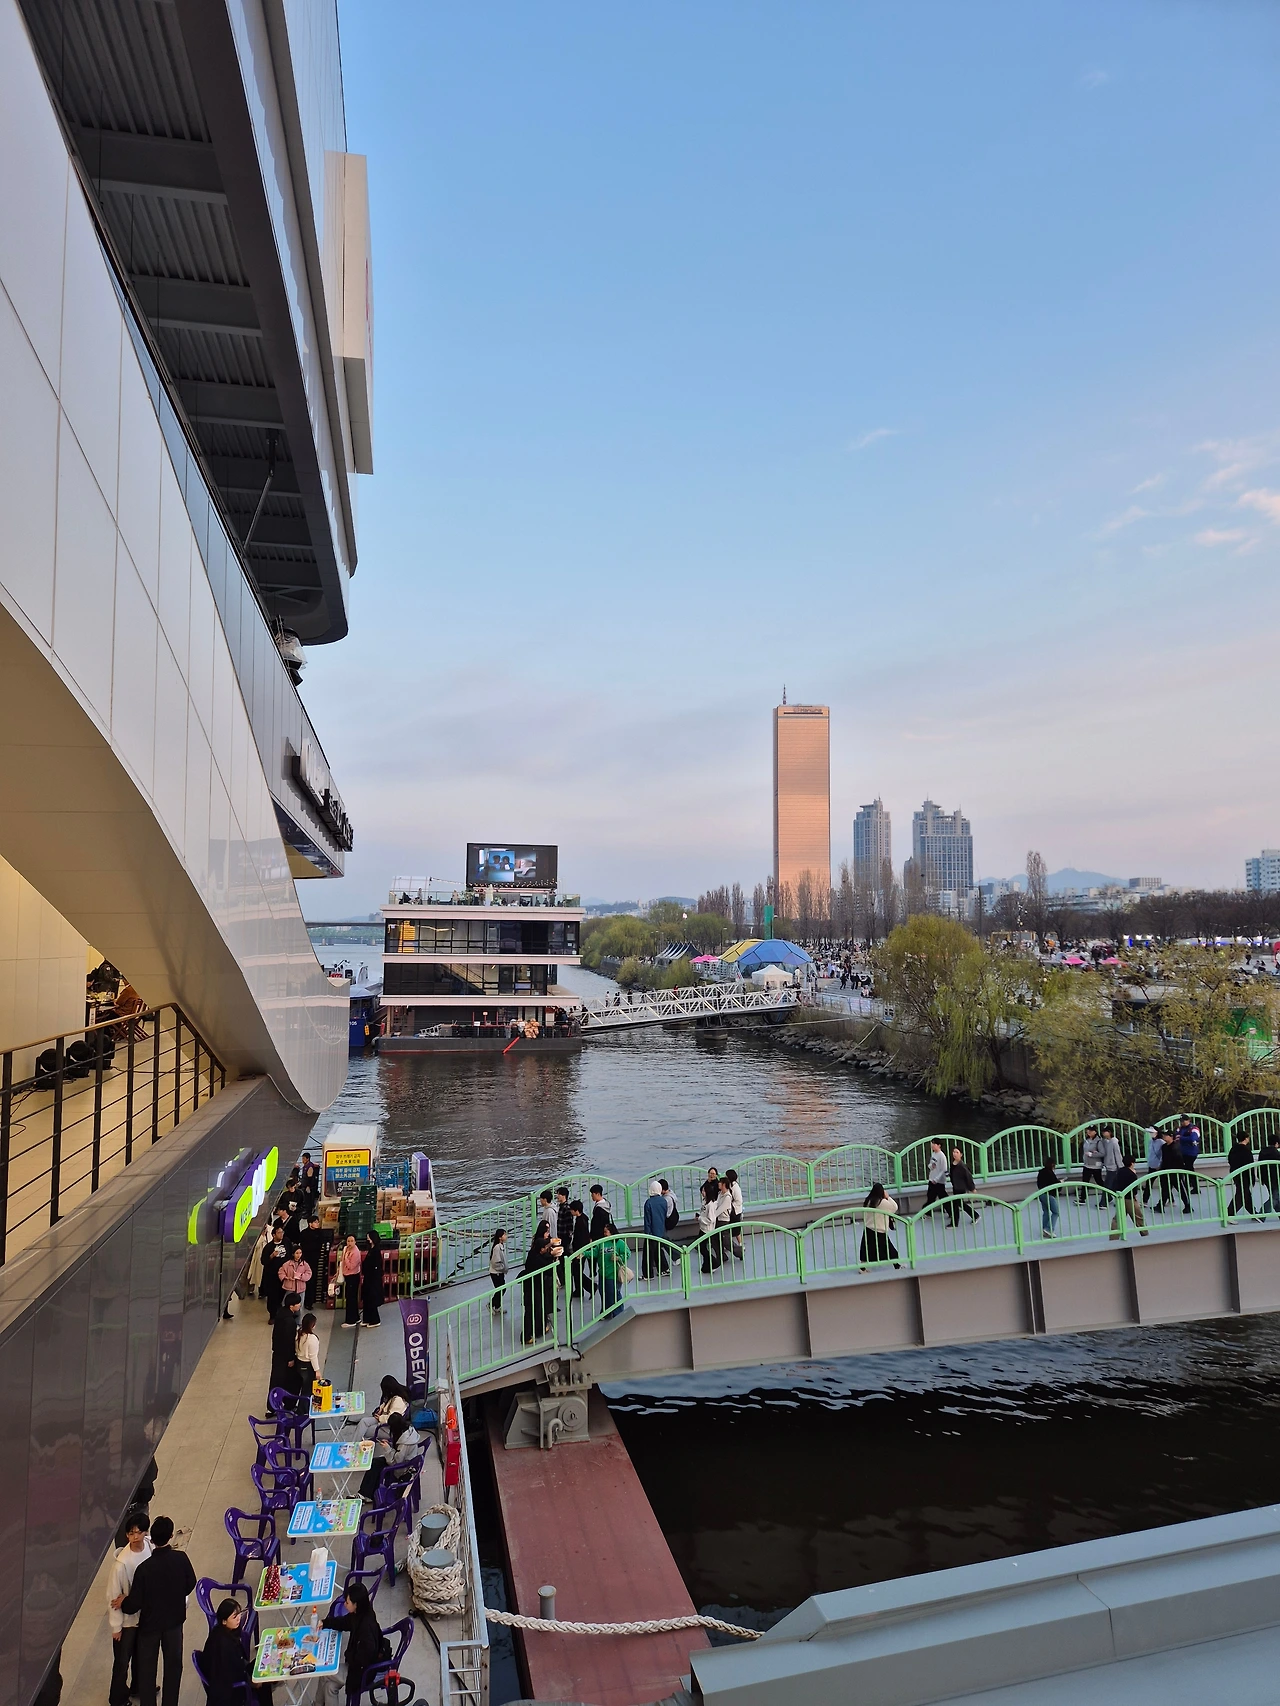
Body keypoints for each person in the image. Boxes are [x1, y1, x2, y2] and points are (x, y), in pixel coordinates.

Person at [118, 1515, 196, 1706]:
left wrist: (123, 1601)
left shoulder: (144, 1569)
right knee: (173, 1667)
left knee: (147, 1670)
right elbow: (190, 1583)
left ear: (151, 1539)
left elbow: (134, 1604)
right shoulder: (181, 1558)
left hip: (150, 1627)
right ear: (170, 1536)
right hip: (174, 1624)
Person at [107, 1511, 152, 1706]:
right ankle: (117, 1698)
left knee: (142, 1656)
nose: (135, 1537)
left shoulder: (149, 1547)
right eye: (131, 1533)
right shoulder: (120, 1565)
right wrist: (116, 1627)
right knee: (122, 1662)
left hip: (145, 1616)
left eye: (138, 1532)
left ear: (145, 1532)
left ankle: (138, 1687)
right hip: (127, 1622)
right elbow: (113, 1597)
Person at [317, 1583, 384, 1706]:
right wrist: (325, 1623)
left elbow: (365, 1657)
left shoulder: (366, 1628)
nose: (344, 1604)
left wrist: (349, 1655)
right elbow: (344, 1622)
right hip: (357, 1666)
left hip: (362, 1672)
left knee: (324, 1674)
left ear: (356, 1604)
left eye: (347, 1602)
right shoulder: (360, 1613)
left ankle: (317, 1704)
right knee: (330, 1687)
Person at [197, 1599, 254, 1706]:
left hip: (235, 1672)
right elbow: (231, 1673)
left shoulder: (220, 1631)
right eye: (234, 1617)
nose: (239, 1618)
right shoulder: (224, 1645)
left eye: (239, 1614)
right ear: (224, 1621)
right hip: (232, 1691)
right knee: (264, 1684)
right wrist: (252, 1680)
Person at [358, 1409, 422, 1500]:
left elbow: (395, 1462)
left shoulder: (405, 1443)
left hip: (402, 1468)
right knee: (375, 1463)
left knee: (376, 1466)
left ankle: (365, 1493)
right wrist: (390, 1445)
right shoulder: (408, 1430)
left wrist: (387, 1448)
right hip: (403, 1461)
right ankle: (368, 1493)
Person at [522, 1224, 554, 1343]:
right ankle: (527, 1336)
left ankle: (537, 1330)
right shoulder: (537, 1259)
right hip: (533, 1287)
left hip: (533, 1286)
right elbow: (548, 1269)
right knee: (532, 1311)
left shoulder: (533, 1254)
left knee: (536, 1309)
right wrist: (553, 1258)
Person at [268, 1292, 302, 1398]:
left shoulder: (280, 1314)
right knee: (287, 1381)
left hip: (277, 1352)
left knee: (275, 1380)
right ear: (291, 1306)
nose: (299, 1305)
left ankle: (272, 1403)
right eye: (298, 1303)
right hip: (285, 1356)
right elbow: (289, 1341)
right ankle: (287, 1402)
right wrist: (290, 1358)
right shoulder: (290, 1321)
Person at [858, 1182, 899, 1269]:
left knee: (866, 1250)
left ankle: (863, 1268)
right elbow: (894, 1207)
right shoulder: (882, 1202)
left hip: (869, 1228)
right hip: (880, 1229)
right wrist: (888, 1197)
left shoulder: (868, 1200)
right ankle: (897, 1265)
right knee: (889, 1249)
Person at [594, 1221, 629, 1316]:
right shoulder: (601, 1243)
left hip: (614, 1273)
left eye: (606, 1232)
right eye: (604, 1232)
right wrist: (584, 1254)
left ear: (611, 1232)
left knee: (613, 1293)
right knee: (603, 1292)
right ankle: (606, 1312)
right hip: (603, 1273)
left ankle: (618, 1313)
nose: (604, 1234)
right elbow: (595, 1252)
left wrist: (619, 1258)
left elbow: (627, 1254)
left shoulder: (619, 1243)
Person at [1111, 1152, 1146, 1237]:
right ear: (1132, 1163)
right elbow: (1134, 1189)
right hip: (1129, 1198)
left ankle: (1113, 1237)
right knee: (1138, 1217)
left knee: (1118, 1219)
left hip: (1120, 1197)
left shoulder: (1120, 1171)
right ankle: (1144, 1233)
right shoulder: (1132, 1174)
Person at [1159, 1129, 1191, 1215]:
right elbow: (1164, 1160)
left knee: (1181, 1189)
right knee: (1165, 1189)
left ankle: (1187, 1205)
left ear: (1171, 1137)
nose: (1164, 1137)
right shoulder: (1164, 1147)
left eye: (1166, 1135)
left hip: (1175, 1172)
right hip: (1166, 1172)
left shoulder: (1176, 1147)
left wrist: (1179, 1171)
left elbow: (1179, 1160)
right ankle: (1160, 1205)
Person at [1227, 1129, 1256, 1218]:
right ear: (1246, 1138)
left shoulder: (1233, 1149)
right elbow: (1250, 1165)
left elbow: (1230, 1160)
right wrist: (1252, 1178)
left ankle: (1253, 1213)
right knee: (1242, 1194)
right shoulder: (1246, 1151)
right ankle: (1229, 1213)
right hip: (1245, 1175)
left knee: (1245, 1193)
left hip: (1235, 1173)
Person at [260, 1225, 287, 1320]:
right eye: (279, 1233)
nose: (281, 1234)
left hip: (284, 1275)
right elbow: (263, 1261)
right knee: (272, 1296)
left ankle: (281, 1314)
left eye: (282, 1232)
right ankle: (272, 1315)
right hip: (272, 1276)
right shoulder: (268, 1247)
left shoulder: (286, 1243)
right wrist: (271, 1256)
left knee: (282, 1295)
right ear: (274, 1235)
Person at [642, 1181, 670, 1276]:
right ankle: (664, 1269)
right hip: (660, 1231)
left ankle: (648, 1274)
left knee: (648, 1254)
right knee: (658, 1250)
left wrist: (647, 1233)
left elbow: (647, 1221)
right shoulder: (664, 1201)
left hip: (651, 1232)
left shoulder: (648, 1203)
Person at [298, 1215, 326, 1310]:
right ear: (310, 1224)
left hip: (315, 1260)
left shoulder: (320, 1233)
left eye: (318, 1222)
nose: (317, 1224)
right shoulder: (304, 1233)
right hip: (306, 1260)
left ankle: (310, 1301)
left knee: (313, 1280)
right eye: (315, 1222)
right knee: (305, 1280)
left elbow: (321, 1244)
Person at [946, 1148, 979, 1226]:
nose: (954, 1154)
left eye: (957, 1152)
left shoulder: (962, 1166)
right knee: (960, 1204)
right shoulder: (953, 1164)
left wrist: (972, 1188)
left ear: (961, 1154)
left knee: (956, 1204)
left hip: (960, 1187)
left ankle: (954, 1223)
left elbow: (968, 1177)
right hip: (955, 1186)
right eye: (954, 1152)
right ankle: (975, 1215)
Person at [567, 1199, 591, 1294]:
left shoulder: (580, 1222)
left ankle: (588, 1287)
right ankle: (579, 1289)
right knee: (577, 1270)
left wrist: (579, 1252)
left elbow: (581, 1238)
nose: (571, 1212)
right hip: (581, 1249)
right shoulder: (583, 1218)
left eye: (572, 1210)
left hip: (580, 1249)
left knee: (577, 1271)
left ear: (576, 1210)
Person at [295, 1312, 322, 1392]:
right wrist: (317, 1371)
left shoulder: (298, 1333)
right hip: (307, 1366)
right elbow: (313, 1357)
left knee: (298, 1387)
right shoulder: (312, 1339)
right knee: (307, 1390)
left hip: (298, 1362)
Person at [361, 1230, 384, 1327]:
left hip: (373, 1279)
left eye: (369, 1237)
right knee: (366, 1298)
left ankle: (375, 1320)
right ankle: (367, 1318)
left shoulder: (376, 1251)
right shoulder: (371, 1249)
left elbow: (376, 1266)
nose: (368, 1239)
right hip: (368, 1277)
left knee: (372, 1299)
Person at [340, 1234, 363, 1326]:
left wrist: (346, 1257)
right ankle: (355, 1317)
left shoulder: (356, 1252)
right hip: (347, 1275)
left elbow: (351, 1266)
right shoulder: (345, 1249)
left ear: (355, 1242)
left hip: (353, 1276)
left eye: (352, 1241)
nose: (349, 1243)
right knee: (349, 1297)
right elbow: (341, 1262)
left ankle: (351, 1320)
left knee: (351, 1298)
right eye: (348, 1241)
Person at [1036, 1154, 1061, 1238]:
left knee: (1046, 1211)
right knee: (1056, 1212)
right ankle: (1049, 1229)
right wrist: (1060, 1183)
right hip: (1049, 1195)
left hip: (1041, 1194)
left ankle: (1044, 1229)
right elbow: (1055, 1185)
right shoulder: (1050, 1174)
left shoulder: (1041, 1172)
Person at [1078, 1126, 1105, 1203]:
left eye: (1091, 1131)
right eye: (1088, 1130)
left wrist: (1092, 1154)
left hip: (1095, 1166)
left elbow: (1102, 1153)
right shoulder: (1086, 1140)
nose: (1089, 1132)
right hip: (1087, 1164)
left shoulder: (1098, 1141)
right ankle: (1082, 1198)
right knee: (1085, 1182)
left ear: (1095, 1132)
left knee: (1099, 1181)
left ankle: (1109, 1193)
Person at [724, 1168, 745, 1260]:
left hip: (736, 1211)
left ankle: (740, 1244)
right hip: (732, 1210)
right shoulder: (730, 1185)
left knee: (736, 1230)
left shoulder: (735, 1187)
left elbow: (739, 1200)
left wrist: (731, 1205)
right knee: (732, 1229)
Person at [1258, 1132, 1280, 1217]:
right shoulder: (1276, 1153)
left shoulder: (1262, 1152)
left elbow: (1260, 1165)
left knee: (1275, 1196)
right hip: (1276, 1178)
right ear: (1276, 1143)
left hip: (1266, 1178)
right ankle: (1261, 1215)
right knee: (1275, 1197)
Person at [1142, 1127, 1163, 1205]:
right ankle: (1145, 1201)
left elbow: (1162, 1155)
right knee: (1149, 1183)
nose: (1150, 1134)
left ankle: (1171, 1199)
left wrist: (1160, 1164)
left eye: (1152, 1133)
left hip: (1159, 1166)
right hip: (1152, 1165)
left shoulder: (1161, 1142)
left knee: (1164, 1184)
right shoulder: (1150, 1141)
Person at [1098, 1125, 1124, 1190]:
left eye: (1105, 1132)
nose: (1103, 1133)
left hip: (1113, 1167)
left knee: (1108, 1185)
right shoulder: (1105, 1141)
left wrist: (1120, 1166)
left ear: (1109, 1132)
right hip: (1108, 1166)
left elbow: (1117, 1154)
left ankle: (1106, 1196)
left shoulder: (1114, 1142)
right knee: (1112, 1184)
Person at [489, 1228, 508, 1311]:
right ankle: (492, 1304)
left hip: (499, 1272)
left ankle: (497, 1306)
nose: (506, 1236)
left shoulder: (501, 1246)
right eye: (504, 1235)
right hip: (496, 1272)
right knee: (501, 1289)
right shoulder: (497, 1247)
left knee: (501, 1289)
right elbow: (495, 1262)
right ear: (500, 1237)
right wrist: (502, 1268)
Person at [925, 1140, 948, 1208]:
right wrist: (931, 1166)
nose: (932, 1145)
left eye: (934, 1144)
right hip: (932, 1179)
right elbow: (930, 1165)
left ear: (939, 1145)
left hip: (939, 1182)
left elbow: (944, 1169)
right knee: (930, 1197)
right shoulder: (933, 1154)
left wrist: (936, 1179)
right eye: (931, 1144)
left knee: (942, 1198)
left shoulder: (942, 1156)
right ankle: (927, 1211)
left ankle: (952, 1211)